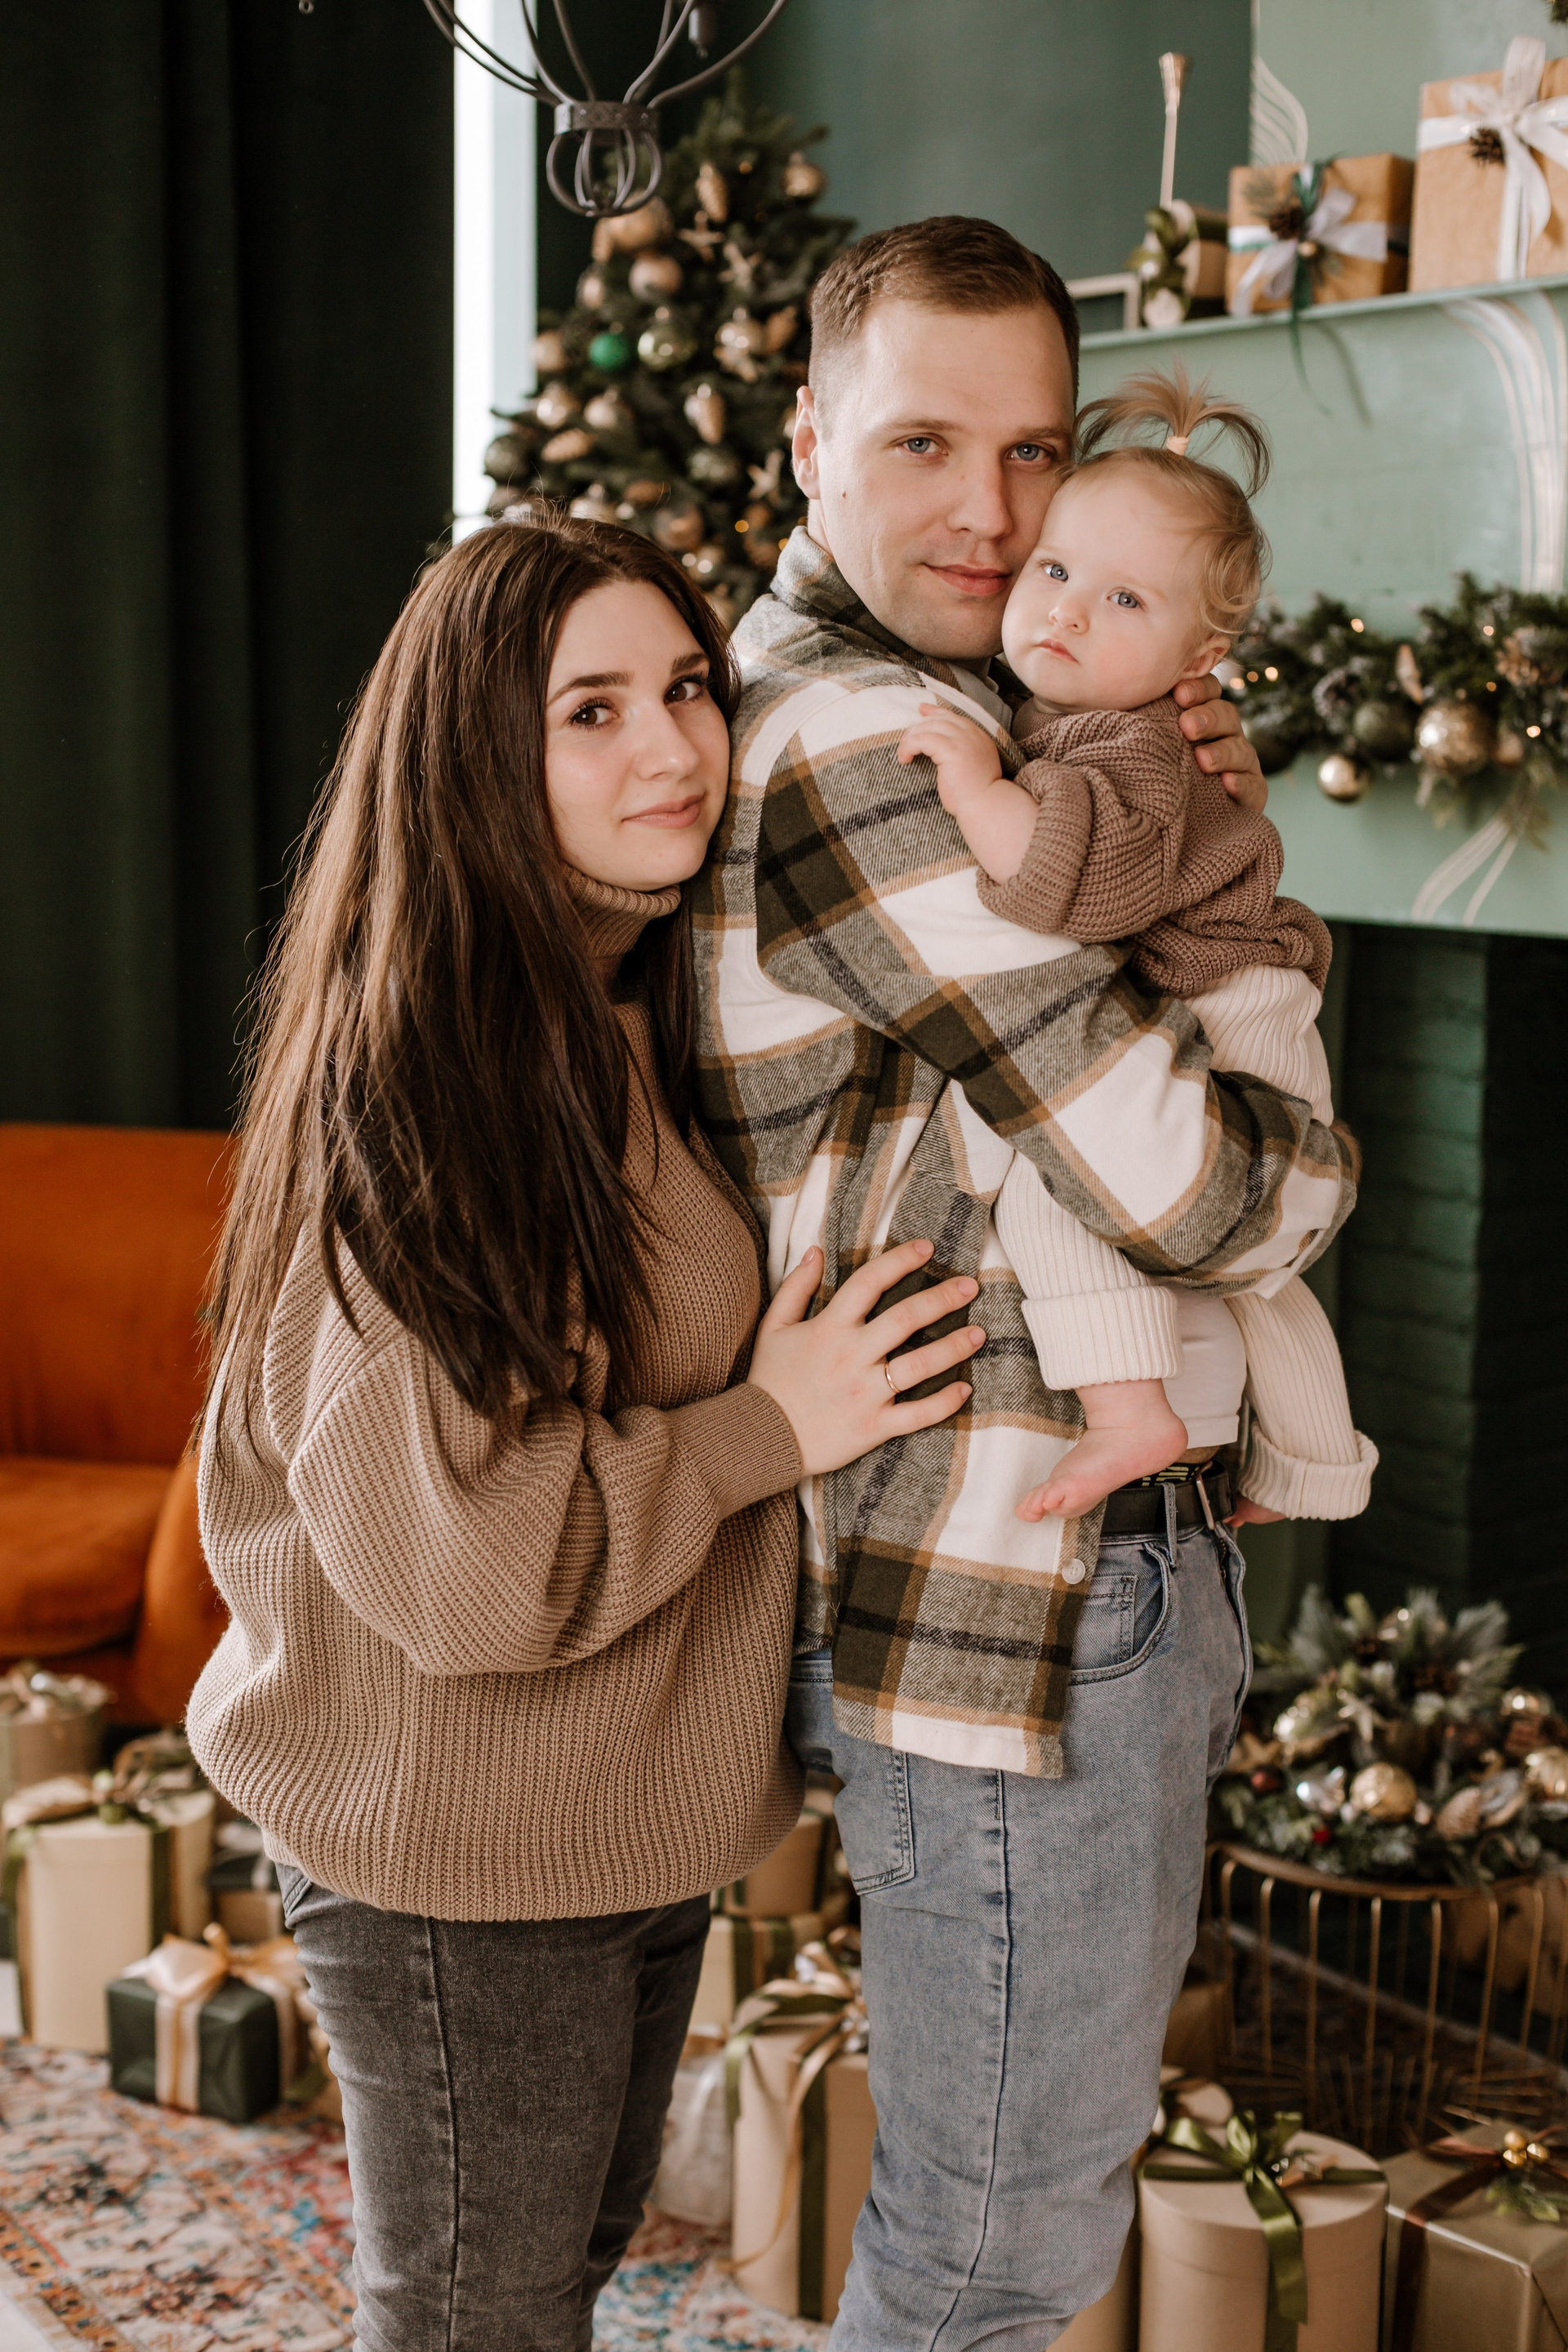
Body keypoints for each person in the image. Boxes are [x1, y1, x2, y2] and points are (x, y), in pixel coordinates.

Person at [186, 517, 983, 2352]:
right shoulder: (436, 1085)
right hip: (462, 1841)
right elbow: (474, 1569)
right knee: (481, 2314)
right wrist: (767, 1428)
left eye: (689, 687)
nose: (676, 749)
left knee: (548, 2275)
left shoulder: (609, 1010)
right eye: (593, 711)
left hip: (606, 1812)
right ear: (478, 757)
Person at [694, 216, 1360, 2347]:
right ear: (810, 437)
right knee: (994, 2261)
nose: (994, 516)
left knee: (1012, 2226)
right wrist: (1310, 1140)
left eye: (1036, 453)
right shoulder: (860, 741)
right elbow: (1208, 1197)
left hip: (1056, 1574)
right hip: (1014, 1602)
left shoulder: (1012, 716)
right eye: (923, 442)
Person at [898, 363, 1376, 1530]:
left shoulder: (1132, 739)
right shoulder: (1084, 710)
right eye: (1055, 570)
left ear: (1200, 656)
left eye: (1124, 600)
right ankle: (1315, 1469)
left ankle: (1128, 1412)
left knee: (1063, 1179)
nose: (1065, 611)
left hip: (1236, 1004)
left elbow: (1085, 882)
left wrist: (975, 788)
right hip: (1247, 991)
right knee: (1259, 1277)